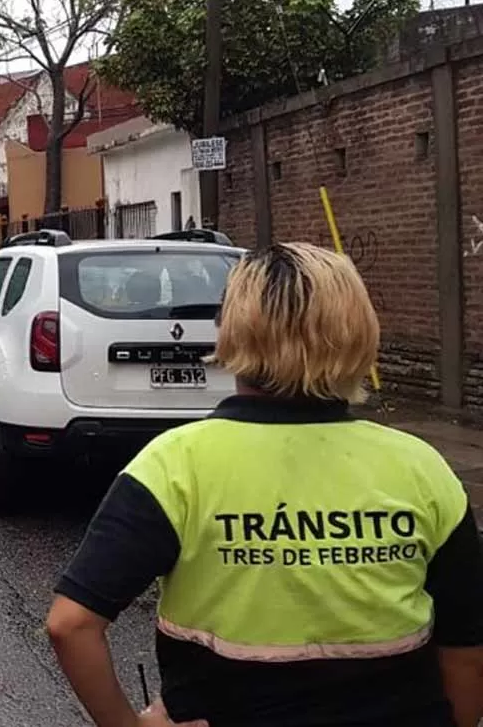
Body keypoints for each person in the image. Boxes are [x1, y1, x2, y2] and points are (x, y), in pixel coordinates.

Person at [46, 242, 483, 727]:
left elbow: (71, 626)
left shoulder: (176, 465)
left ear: (232, 331)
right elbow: (466, 649)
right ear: (359, 331)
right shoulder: (423, 469)